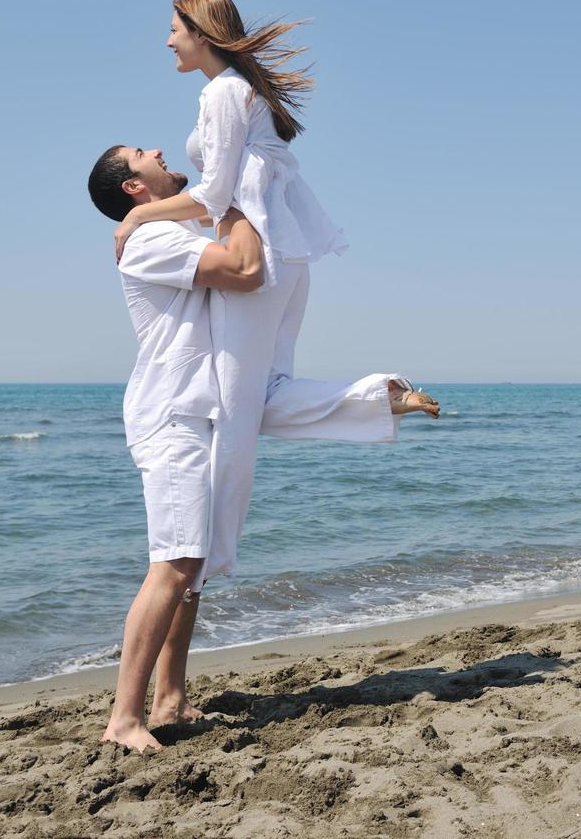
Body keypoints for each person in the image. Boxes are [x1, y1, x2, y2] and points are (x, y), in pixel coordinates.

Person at [87, 145, 435, 753]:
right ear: (133, 189)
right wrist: (233, 195)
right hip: (171, 416)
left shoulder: (164, 228)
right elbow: (245, 267)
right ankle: (123, 719)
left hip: (205, 411)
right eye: (143, 156)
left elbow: (261, 384)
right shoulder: (147, 242)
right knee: (173, 561)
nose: (161, 152)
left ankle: (168, 699)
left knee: (192, 570)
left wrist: (375, 399)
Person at [112, 0, 439, 600]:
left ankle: (206, 556)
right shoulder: (242, 91)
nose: (167, 40)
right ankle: (379, 397)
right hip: (287, 258)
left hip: (257, 254)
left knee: (234, 411)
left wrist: (138, 219)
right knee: (262, 393)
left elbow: (213, 196)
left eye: (174, 29)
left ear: (201, 32)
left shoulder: (222, 92)